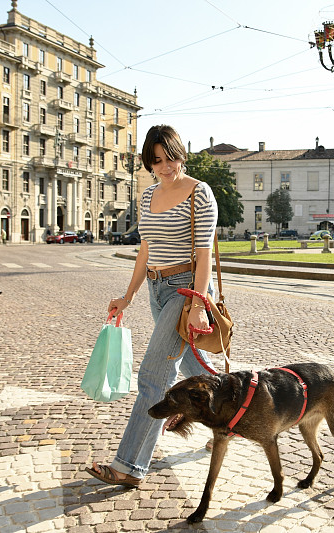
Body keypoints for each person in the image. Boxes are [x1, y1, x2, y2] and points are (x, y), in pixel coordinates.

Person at [86, 125, 219, 487]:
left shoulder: (199, 193)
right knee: (199, 369)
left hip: (184, 290)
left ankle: (128, 466)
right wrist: (127, 295)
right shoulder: (147, 198)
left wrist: (197, 303)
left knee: (153, 377)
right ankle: (235, 415)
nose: (164, 166)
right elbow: (145, 250)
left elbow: (204, 256)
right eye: (156, 161)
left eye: (170, 157)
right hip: (156, 289)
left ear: (181, 153)